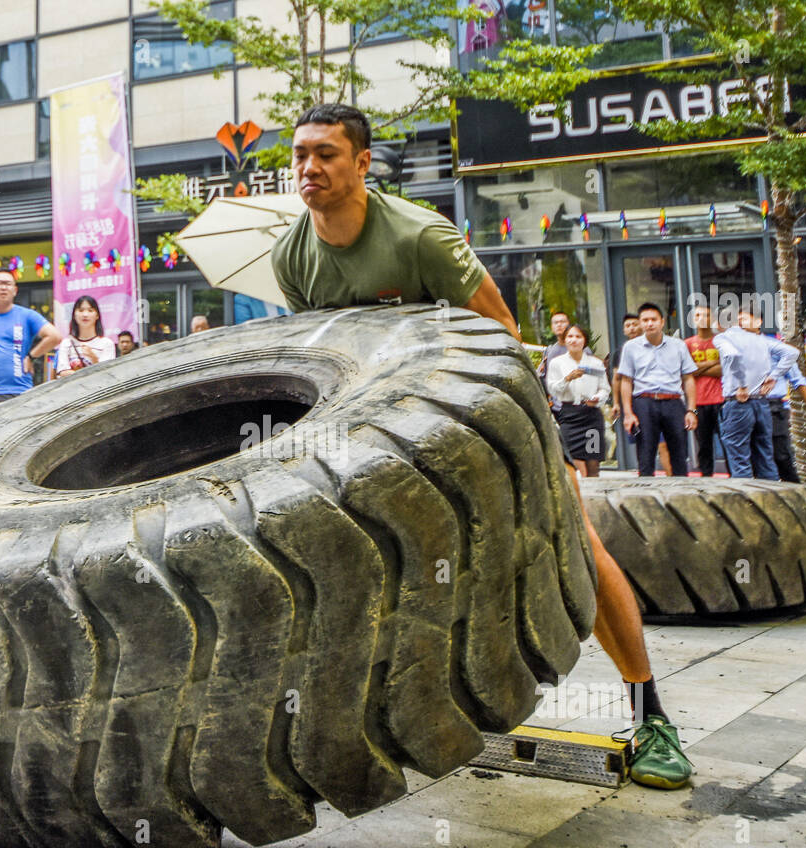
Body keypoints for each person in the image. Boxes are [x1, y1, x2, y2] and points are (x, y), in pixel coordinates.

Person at [270, 102, 692, 789]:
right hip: (382, 433)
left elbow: (498, 330)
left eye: (326, 153)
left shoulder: (419, 237)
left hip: (484, 406)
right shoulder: (293, 256)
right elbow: (325, 360)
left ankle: (653, 715)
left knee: (579, 543)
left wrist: (525, 438)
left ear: (363, 162)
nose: (309, 167)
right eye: (300, 154)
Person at [713, 307, 799, 479]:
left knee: (739, 457)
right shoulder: (759, 339)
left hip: (738, 402)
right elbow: (792, 352)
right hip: (762, 402)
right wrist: (774, 376)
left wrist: (742, 384)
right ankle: (772, 496)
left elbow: (732, 355)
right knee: (765, 455)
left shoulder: (723, 338)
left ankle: (745, 501)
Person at [616, 302, 698, 477]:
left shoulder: (678, 346)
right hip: (644, 402)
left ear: (662, 321)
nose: (649, 323)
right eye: (645, 320)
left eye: (653, 319)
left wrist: (691, 410)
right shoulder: (631, 348)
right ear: (640, 323)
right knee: (645, 454)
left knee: (679, 453)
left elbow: (688, 378)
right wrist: (628, 413)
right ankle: (646, 496)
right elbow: (626, 381)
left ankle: (681, 494)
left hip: (673, 402)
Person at [738, 313, 806, 484]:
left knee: (780, 454)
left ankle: (796, 493)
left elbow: (798, 381)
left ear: (759, 321)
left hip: (772, 407)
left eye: (744, 319)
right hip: (745, 406)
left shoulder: (775, 347)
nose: (740, 323)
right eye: (737, 320)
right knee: (752, 456)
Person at [0, 268, 61, 403]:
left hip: (20, 390)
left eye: (8, 284)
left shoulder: (27, 315)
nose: (4, 287)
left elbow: (55, 336)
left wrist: (31, 356)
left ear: (15, 290)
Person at [547, 323, 609, 478]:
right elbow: (552, 388)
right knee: (573, 461)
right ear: (565, 339)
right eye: (570, 336)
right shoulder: (557, 363)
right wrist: (568, 378)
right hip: (569, 416)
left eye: (578, 336)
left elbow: (605, 388)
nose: (573, 340)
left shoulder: (595, 363)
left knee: (593, 461)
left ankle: (595, 496)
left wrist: (597, 399)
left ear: (584, 341)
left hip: (591, 416)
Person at [684, 305, 727, 477]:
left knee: (727, 442)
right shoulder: (687, 344)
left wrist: (697, 367)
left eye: (707, 315)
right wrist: (712, 364)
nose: (702, 318)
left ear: (713, 319)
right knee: (703, 445)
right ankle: (706, 478)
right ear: (693, 319)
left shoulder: (722, 341)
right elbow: (686, 372)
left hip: (722, 399)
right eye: (698, 315)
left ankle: (735, 479)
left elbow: (724, 369)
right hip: (698, 402)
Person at [54, 296, 116, 377]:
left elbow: (108, 374)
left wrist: (94, 358)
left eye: (90, 310)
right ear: (74, 315)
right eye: (80, 310)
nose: (85, 314)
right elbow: (62, 373)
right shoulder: (66, 343)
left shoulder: (106, 344)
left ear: (97, 315)